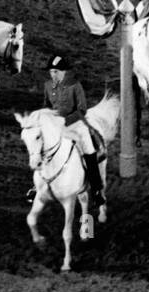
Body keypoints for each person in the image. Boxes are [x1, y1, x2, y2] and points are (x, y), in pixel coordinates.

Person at [41, 56, 104, 207]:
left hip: (75, 125)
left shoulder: (75, 86)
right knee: (39, 147)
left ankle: (96, 189)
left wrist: (66, 120)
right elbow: (46, 105)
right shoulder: (48, 85)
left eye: (56, 72)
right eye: (51, 72)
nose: (53, 75)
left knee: (89, 149)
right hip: (56, 126)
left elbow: (82, 109)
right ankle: (38, 185)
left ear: (64, 72)